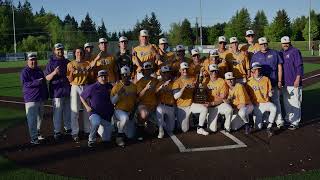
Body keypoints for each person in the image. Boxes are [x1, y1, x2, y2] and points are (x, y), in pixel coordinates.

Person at [251, 37, 284, 128]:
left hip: (273, 81)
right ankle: (266, 120)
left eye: (265, 43)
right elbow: (252, 70)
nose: (263, 45)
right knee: (263, 102)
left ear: (267, 43)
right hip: (260, 83)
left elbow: (280, 68)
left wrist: (280, 81)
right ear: (259, 45)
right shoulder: (256, 55)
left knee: (276, 101)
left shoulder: (274, 53)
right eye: (261, 44)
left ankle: (279, 120)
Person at [80, 70, 114, 147]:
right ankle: (91, 139)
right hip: (95, 113)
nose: (103, 78)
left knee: (106, 139)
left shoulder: (110, 86)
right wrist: (87, 106)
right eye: (101, 76)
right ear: (97, 78)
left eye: (105, 76)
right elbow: (81, 96)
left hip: (106, 115)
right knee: (96, 122)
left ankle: (100, 130)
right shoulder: (92, 87)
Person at [45, 43, 71, 141]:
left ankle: (68, 129)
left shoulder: (67, 62)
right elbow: (47, 77)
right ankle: (57, 131)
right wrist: (54, 73)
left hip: (67, 91)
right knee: (57, 113)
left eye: (61, 49)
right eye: (58, 49)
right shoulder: (51, 62)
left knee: (68, 112)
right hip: (57, 92)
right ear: (54, 51)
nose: (60, 51)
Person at [173, 62, 209, 135]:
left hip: (191, 104)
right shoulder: (177, 82)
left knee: (204, 109)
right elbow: (175, 97)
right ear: (180, 70)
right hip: (182, 107)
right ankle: (181, 120)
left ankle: (200, 128)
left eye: (186, 69)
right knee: (184, 129)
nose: (185, 71)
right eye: (183, 69)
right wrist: (183, 88)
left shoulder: (192, 78)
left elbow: (199, 83)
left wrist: (201, 73)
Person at [21, 53, 48, 145]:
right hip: (31, 99)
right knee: (32, 120)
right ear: (28, 61)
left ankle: (37, 133)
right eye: (31, 60)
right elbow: (25, 84)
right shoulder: (25, 72)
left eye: (35, 60)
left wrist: (45, 95)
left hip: (40, 98)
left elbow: (44, 84)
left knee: (40, 118)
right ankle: (33, 138)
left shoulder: (39, 70)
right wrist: (36, 82)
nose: (33, 61)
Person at [67, 47, 91, 142]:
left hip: (85, 86)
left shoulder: (87, 63)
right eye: (77, 52)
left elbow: (90, 76)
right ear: (75, 53)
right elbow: (69, 79)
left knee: (87, 110)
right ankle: (75, 133)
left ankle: (87, 130)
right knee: (75, 110)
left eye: (81, 52)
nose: (79, 54)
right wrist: (72, 72)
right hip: (75, 87)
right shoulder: (70, 64)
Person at [280, 36, 303, 130]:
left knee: (296, 102)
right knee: (287, 102)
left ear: (290, 42)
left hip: (294, 82)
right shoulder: (280, 53)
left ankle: (295, 121)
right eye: (284, 43)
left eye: (287, 43)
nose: (285, 44)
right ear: (281, 44)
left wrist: (298, 79)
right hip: (285, 83)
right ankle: (289, 119)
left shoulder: (295, 51)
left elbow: (299, 66)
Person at [247, 62, 276, 137]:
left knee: (274, 108)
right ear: (252, 71)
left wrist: (271, 92)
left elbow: (270, 90)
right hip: (256, 105)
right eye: (255, 70)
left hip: (265, 102)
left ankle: (269, 127)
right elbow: (247, 95)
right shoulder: (249, 81)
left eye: (258, 69)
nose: (257, 71)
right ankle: (258, 118)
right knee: (258, 127)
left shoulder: (266, 79)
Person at [111, 66, 137, 146]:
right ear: (121, 75)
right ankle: (119, 136)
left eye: (127, 75)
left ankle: (119, 125)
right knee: (124, 118)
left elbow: (136, 101)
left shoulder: (133, 86)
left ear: (130, 75)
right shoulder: (117, 87)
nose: (125, 76)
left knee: (130, 136)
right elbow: (112, 102)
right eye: (123, 75)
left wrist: (133, 112)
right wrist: (118, 94)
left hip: (130, 111)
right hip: (119, 111)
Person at [135, 62, 159, 140]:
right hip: (144, 106)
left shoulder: (155, 80)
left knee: (152, 131)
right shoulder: (139, 82)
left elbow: (158, 93)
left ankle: (148, 123)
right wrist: (145, 88)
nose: (148, 71)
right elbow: (139, 96)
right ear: (143, 71)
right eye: (146, 70)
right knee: (144, 114)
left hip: (154, 106)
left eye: (149, 69)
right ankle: (139, 128)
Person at [206, 64, 233, 133]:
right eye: (212, 71)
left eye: (216, 71)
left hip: (219, 105)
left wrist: (212, 103)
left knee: (229, 109)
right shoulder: (205, 81)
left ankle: (227, 127)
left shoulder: (222, 81)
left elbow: (222, 99)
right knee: (212, 130)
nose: (214, 73)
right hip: (209, 107)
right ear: (209, 72)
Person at [155, 65, 176, 138]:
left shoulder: (173, 83)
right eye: (164, 73)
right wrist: (162, 87)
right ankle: (160, 129)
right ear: (161, 74)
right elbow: (155, 92)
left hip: (171, 107)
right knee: (159, 109)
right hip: (162, 105)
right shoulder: (159, 83)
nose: (166, 74)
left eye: (167, 72)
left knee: (170, 129)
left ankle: (161, 123)